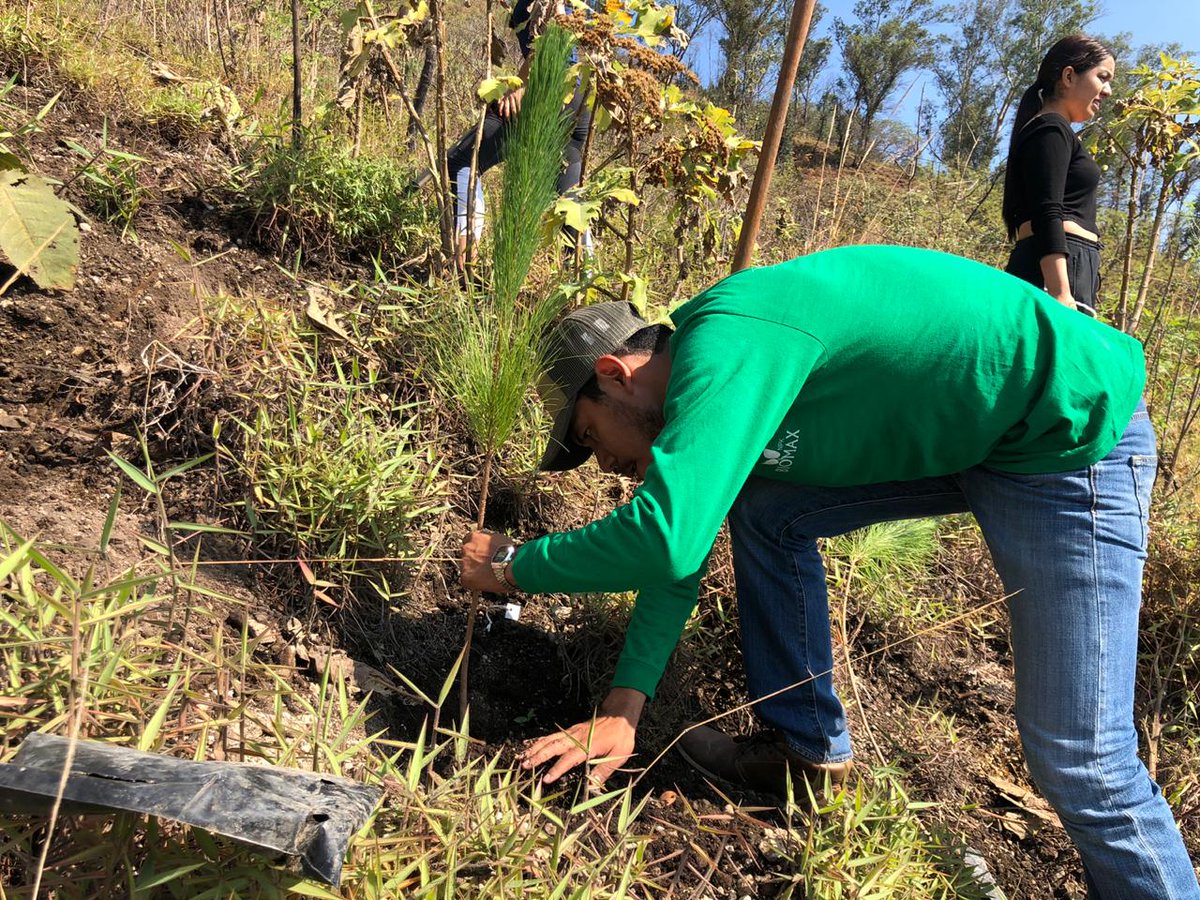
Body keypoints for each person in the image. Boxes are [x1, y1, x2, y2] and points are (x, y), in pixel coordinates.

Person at [459, 245, 1200, 897]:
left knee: (1080, 761)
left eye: (592, 438)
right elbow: (680, 549)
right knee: (764, 510)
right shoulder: (721, 380)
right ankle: (810, 759)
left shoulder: (728, 345)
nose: (611, 467)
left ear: (616, 374)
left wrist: (517, 566)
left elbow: (667, 541)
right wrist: (624, 712)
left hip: (1070, 432)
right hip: (983, 437)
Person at [445, 0, 591, 267]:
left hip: (551, 88)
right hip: (577, 98)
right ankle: (584, 285)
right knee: (569, 195)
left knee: (463, 160)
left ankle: (464, 264)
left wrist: (523, 83)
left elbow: (558, 31)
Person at [1002, 35, 1114, 318]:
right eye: (1102, 77)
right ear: (1068, 76)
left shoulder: (1054, 130)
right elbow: (1047, 210)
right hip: (1058, 270)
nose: (1108, 90)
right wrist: (1060, 291)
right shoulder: (1051, 128)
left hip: (1068, 265)